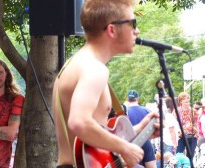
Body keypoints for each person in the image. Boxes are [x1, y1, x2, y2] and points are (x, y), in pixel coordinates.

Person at [52, 0, 160, 167]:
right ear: (112, 29)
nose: (137, 31)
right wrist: (124, 147)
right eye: (132, 24)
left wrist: (140, 129)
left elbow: (92, 143)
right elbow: (78, 122)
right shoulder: (94, 69)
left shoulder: (75, 65)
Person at [126, 90, 157, 168]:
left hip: (129, 145)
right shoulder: (147, 111)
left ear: (127, 99)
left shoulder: (124, 112)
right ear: (137, 99)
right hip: (146, 143)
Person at [176, 92, 198, 159]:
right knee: (178, 155)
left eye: (188, 99)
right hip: (181, 136)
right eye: (184, 99)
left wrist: (196, 133)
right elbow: (175, 124)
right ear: (180, 101)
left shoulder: (193, 111)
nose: (187, 100)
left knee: (190, 157)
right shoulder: (177, 111)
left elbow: (196, 123)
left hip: (192, 136)